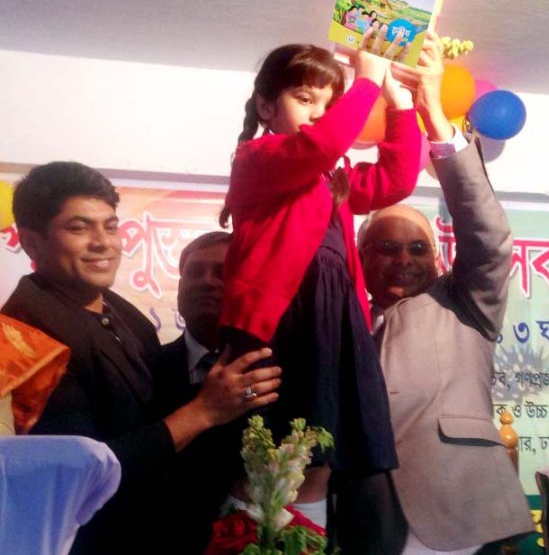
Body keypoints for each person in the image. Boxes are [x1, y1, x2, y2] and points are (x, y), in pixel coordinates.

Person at [1, 161, 280, 555]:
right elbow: (85, 473)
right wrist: (204, 411)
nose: (103, 243)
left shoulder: (121, 313)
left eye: (110, 226)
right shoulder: (25, 342)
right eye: (79, 228)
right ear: (31, 243)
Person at [335, 32, 533, 555]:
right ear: (361, 255)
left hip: (461, 515)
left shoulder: (464, 303)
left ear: (438, 258)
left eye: (418, 248)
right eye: (386, 248)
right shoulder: (342, 314)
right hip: (366, 522)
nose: (403, 259)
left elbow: (488, 238)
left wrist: (435, 122)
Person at [218, 35, 420, 526]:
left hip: (333, 323)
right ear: (267, 106)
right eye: (305, 99)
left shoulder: (334, 175)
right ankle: (247, 539)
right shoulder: (257, 158)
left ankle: (304, 540)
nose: (318, 114)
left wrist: (402, 103)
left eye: (328, 103)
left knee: (318, 463)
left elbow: (397, 181)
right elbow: (323, 141)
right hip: (279, 323)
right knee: (266, 460)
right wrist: (366, 80)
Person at [152, 230, 236, 555]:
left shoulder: (276, 372)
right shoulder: (145, 369)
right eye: (194, 272)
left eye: (222, 273)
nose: (206, 282)